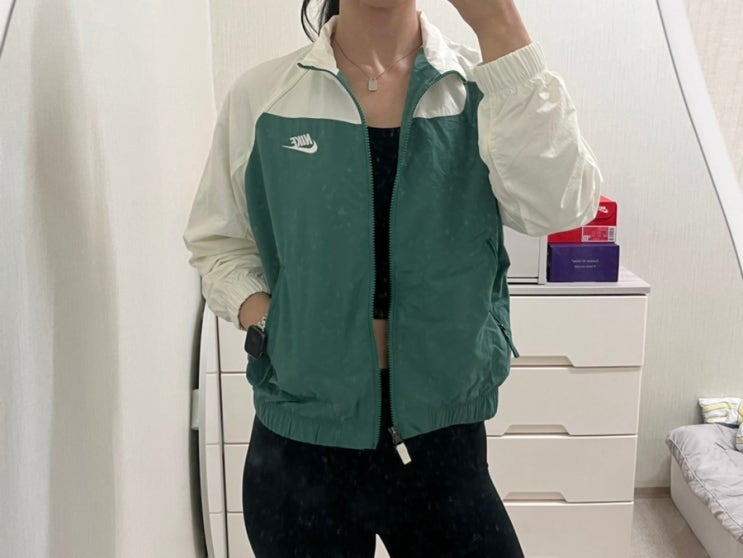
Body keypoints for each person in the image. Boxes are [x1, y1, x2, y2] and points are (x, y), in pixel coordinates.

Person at [184, 0, 602, 555]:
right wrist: (268, 323)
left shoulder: (483, 89)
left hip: (443, 443)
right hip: (301, 449)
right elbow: (219, 243)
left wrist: (499, 22)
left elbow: (559, 206)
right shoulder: (264, 97)